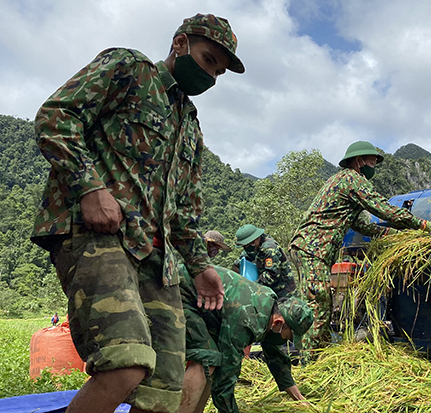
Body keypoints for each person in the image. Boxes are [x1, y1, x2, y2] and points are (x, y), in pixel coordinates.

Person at [30, 13, 245, 413]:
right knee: (125, 365)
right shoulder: (129, 68)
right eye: (207, 59)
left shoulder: (190, 125)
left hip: (155, 258)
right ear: (180, 44)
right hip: (99, 238)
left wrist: (200, 267)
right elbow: (56, 117)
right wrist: (90, 186)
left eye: (219, 71)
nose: (212, 76)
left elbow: (183, 209)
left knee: (165, 390)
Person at [289, 140, 431, 352]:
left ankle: (317, 354)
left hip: (310, 250)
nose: (374, 167)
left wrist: (393, 233)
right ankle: (308, 362)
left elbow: (361, 225)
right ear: (359, 161)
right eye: (372, 163)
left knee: (320, 305)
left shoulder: (342, 184)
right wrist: (425, 225)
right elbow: (383, 209)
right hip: (313, 249)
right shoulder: (352, 179)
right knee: (317, 306)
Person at [178, 265, 313, 413]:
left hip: (201, 302)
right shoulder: (247, 320)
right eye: (288, 337)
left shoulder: (269, 306)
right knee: (207, 357)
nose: (287, 342)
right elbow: (225, 380)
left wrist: (300, 400)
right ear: (278, 323)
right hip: (179, 291)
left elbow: (276, 360)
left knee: (212, 359)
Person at [232, 224, 296, 298]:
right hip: (268, 290)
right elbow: (238, 263)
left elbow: (272, 276)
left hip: (283, 292)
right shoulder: (254, 246)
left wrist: (251, 285)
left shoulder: (270, 249)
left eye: (246, 246)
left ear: (253, 241)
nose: (245, 249)